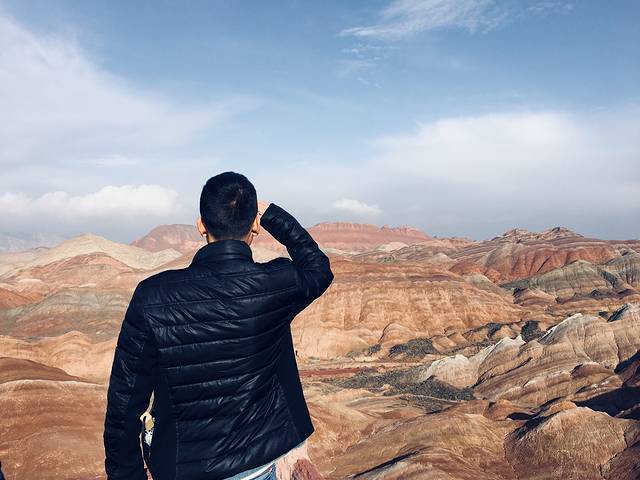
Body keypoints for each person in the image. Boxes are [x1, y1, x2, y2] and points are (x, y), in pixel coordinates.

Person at [103, 171, 334, 480]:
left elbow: (124, 404)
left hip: (182, 469)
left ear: (201, 225)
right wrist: (271, 215)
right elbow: (318, 268)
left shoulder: (152, 296)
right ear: (255, 225)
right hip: (256, 467)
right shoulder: (275, 284)